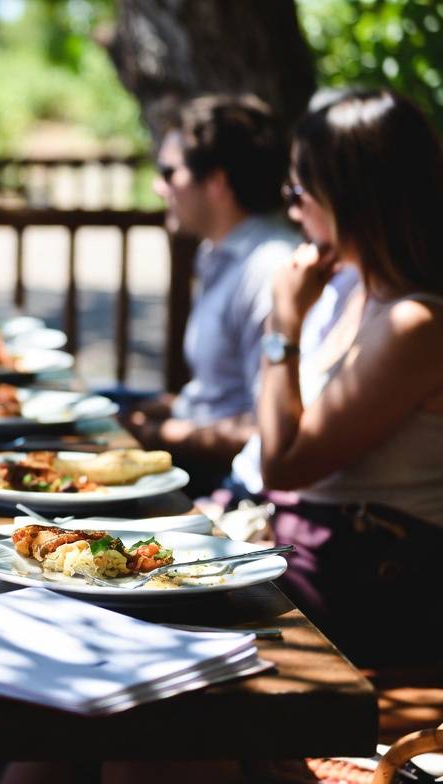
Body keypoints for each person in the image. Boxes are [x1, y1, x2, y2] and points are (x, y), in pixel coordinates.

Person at [256, 88, 443, 666]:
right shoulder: (358, 292)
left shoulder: (417, 323)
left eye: (299, 191)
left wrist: (282, 326)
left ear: (349, 197)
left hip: (371, 586)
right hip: (316, 557)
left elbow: (284, 463)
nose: (292, 210)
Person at [123, 95, 299, 493]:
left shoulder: (270, 267)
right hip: (193, 445)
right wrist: (157, 412)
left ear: (217, 182)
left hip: (222, 479)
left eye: (169, 172)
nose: (157, 185)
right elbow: (219, 393)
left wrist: (160, 434)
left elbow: (262, 429)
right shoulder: (218, 250)